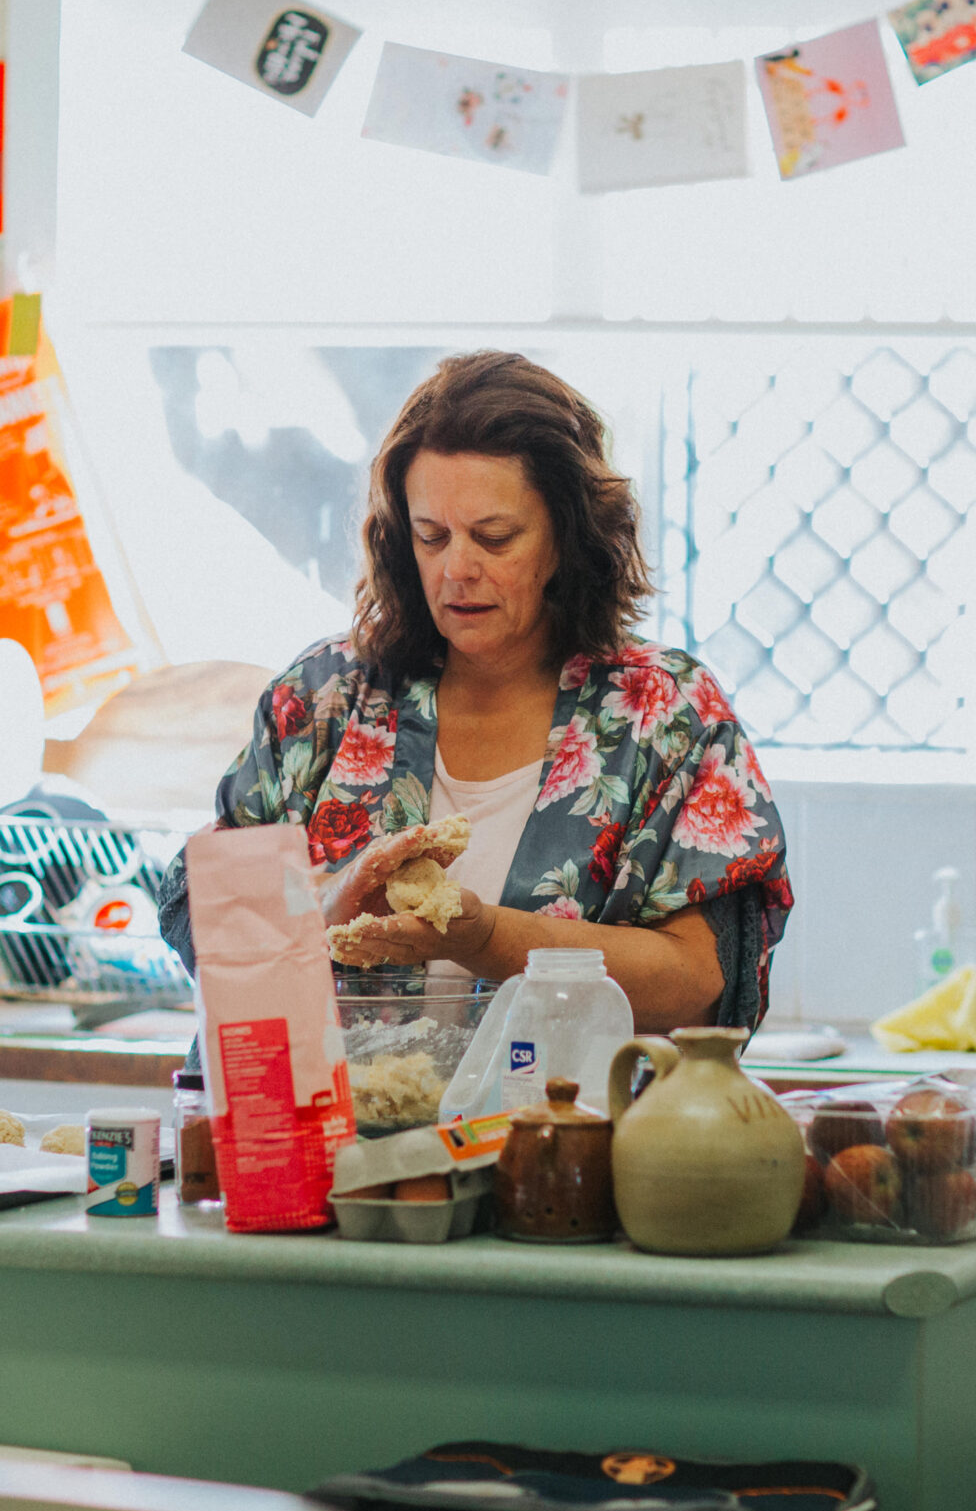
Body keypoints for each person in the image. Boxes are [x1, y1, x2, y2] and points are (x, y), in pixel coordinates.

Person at [162, 351, 789, 1032]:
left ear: (567, 537)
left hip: (560, 1135)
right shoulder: (325, 701)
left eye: (495, 537)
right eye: (432, 537)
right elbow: (197, 912)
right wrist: (321, 903)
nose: (457, 568)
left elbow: (700, 983)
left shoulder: (663, 715)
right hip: (331, 1135)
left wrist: (483, 936)